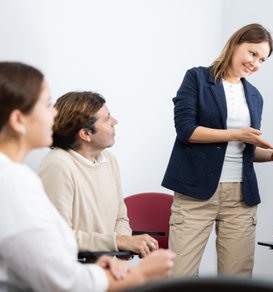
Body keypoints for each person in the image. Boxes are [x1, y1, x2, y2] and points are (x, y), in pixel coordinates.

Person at [0, 61, 175, 291]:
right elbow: (60, 280)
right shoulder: (17, 182)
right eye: (46, 105)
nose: (54, 113)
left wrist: (114, 258)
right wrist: (141, 273)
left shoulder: (18, 177)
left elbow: (53, 254)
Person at [162, 23, 273, 277]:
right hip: (195, 193)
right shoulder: (197, 78)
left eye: (262, 59)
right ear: (235, 43)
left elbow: (246, 151)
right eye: (252, 53)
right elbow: (186, 130)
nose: (255, 64)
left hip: (240, 197)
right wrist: (236, 134)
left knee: (237, 278)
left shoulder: (254, 96)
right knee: (179, 276)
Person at [37, 91, 158, 258]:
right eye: (107, 119)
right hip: (74, 270)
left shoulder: (109, 159)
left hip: (107, 267)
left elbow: (121, 218)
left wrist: (124, 246)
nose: (115, 122)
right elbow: (58, 236)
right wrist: (117, 242)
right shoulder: (57, 165)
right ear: (86, 134)